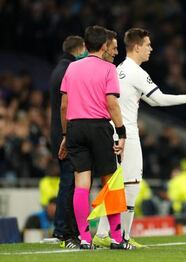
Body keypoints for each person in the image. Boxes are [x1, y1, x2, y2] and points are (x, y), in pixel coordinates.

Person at [94, 28, 186, 249]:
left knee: (115, 185)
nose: (151, 49)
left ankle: (103, 233)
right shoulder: (135, 72)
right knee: (131, 184)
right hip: (125, 133)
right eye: (148, 45)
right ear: (137, 47)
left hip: (111, 131)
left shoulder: (119, 69)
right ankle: (122, 237)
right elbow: (158, 100)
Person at [59, 25, 127, 250]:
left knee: (82, 183)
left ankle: (85, 239)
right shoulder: (109, 69)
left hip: (75, 128)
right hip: (99, 127)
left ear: (85, 45)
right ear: (104, 45)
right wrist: (122, 132)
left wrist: (65, 135)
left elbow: (64, 105)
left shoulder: (72, 68)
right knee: (110, 182)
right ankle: (117, 238)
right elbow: (112, 103)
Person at [49, 35, 87, 248]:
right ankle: (64, 231)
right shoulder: (68, 70)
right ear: (80, 48)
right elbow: (66, 106)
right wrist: (67, 135)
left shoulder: (59, 69)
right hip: (65, 133)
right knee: (69, 183)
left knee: (68, 182)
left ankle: (63, 228)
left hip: (58, 132)